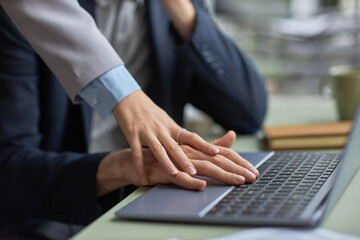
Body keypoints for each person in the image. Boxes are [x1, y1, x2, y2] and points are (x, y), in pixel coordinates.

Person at [0, 0, 266, 239]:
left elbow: (247, 112)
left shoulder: (162, 11)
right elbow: (8, 167)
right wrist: (118, 168)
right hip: (51, 217)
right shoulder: (20, 14)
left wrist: (182, 9)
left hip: (152, 203)